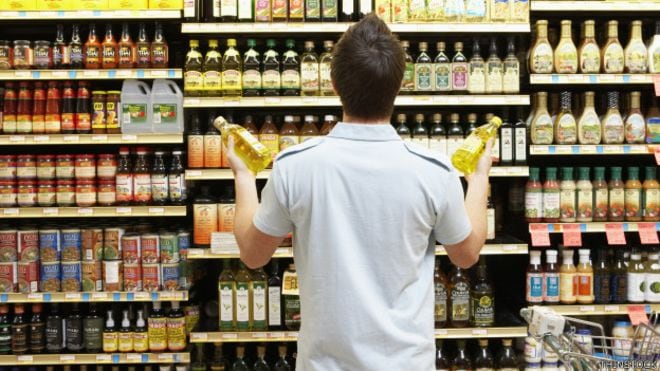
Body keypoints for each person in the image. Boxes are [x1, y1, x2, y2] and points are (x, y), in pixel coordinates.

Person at [225, 13, 492, 371]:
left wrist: (243, 175)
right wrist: (478, 180)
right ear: (398, 86)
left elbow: (253, 254)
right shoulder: (433, 172)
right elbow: (467, 254)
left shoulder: (295, 166)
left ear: (334, 84)